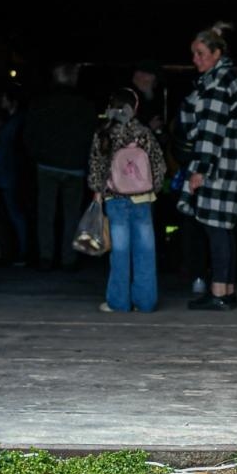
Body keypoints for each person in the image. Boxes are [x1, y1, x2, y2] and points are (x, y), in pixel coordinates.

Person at [176, 22, 237, 311]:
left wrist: (200, 169)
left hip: (219, 164)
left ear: (217, 53)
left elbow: (211, 129)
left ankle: (220, 292)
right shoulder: (221, 79)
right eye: (194, 53)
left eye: (200, 53)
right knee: (223, 227)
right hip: (230, 163)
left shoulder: (220, 83)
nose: (195, 59)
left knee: (216, 227)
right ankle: (226, 289)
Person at [87, 89, 163, 313]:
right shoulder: (144, 132)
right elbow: (158, 164)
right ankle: (146, 302)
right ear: (135, 107)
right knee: (145, 251)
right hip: (143, 198)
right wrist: (153, 188)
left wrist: (97, 191)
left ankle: (118, 302)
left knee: (119, 252)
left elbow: (97, 165)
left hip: (115, 198)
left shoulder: (105, 132)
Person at [23, 63, 99, 270]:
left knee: (46, 213)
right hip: (74, 166)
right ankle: (68, 258)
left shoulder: (41, 103)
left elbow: (29, 134)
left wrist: (37, 155)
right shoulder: (84, 105)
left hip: (47, 164)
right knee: (72, 215)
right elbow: (93, 136)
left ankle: (45, 256)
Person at [0, 87, 28, 266]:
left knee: (15, 213)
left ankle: (22, 251)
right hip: (6, 170)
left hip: (8, 171)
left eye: (4, 98)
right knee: (12, 213)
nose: (1, 101)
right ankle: (16, 250)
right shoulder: (12, 122)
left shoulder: (15, 123)